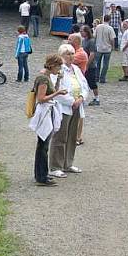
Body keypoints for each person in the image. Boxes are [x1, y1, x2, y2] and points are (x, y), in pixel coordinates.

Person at [48, 44, 88, 178]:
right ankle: (55, 166)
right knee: (60, 136)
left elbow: (84, 85)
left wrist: (82, 97)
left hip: (77, 105)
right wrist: (72, 101)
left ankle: (68, 163)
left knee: (72, 136)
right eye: (67, 54)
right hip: (64, 107)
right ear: (61, 55)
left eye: (72, 53)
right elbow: (56, 90)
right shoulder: (58, 71)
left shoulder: (76, 69)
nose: (71, 56)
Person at [28, 54, 67, 187]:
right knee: (43, 145)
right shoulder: (43, 78)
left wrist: (57, 82)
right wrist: (57, 93)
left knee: (43, 145)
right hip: (44, 112)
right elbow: (41, 98)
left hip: (47, 110)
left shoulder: (47, 76)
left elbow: (52, 91)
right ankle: (42, 176)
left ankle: (41, 174)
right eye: (58, 66)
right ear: (52, 65)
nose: (59, 69)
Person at [81, 26, 101, 107]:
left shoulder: (91, 41)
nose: (81, 32)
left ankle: (97, 98)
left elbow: (92, 54)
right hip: (84, 64)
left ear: (87, 32)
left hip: (91, 65)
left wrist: (87, 65)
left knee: (92, 82)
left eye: (82, 31)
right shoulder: (84, 40)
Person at [94, 16, 116, 84]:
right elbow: (112, 39)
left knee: (97, 63)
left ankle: (96, 77)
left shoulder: (98, 27)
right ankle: (102, 78)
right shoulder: (110, 28)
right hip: (107, 48)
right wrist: (113, 46)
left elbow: (94, 36)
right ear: (109, 20)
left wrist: (94, 44)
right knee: (105, 64)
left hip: (99, 47)